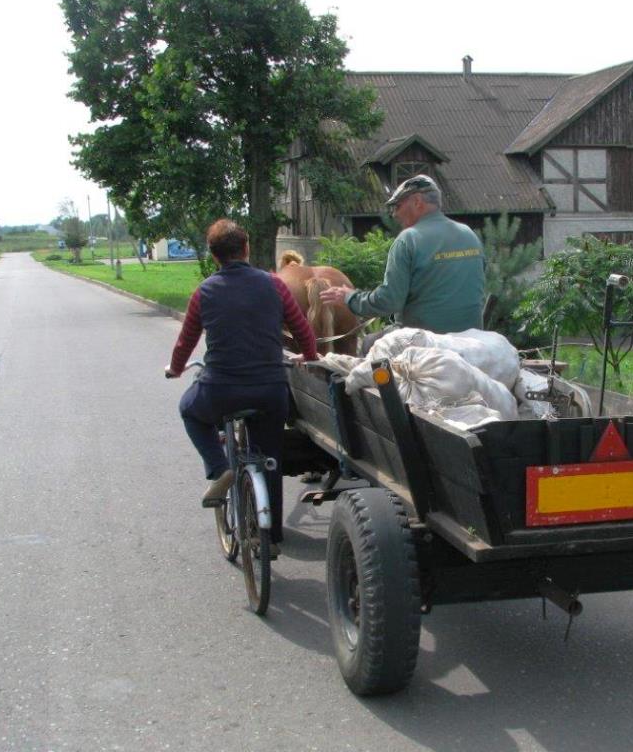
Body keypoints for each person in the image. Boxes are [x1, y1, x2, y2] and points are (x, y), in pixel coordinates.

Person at [165, 219, 318, 557]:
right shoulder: (274, 285)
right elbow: (303, 329)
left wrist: (175, 370)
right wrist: (309, 356)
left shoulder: (204, 292)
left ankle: (221, 470)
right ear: (246, 248)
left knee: (189, 410)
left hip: (221, 389)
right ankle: (272, 535)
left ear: (214, 256)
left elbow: (185, 344)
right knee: (269, 459)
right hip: (269, 391)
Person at [319, 175, 486, 336]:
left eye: (397, 206)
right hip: (471, 337)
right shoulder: (469, 234)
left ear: (417, 202)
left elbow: (389, 301)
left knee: (368, 343)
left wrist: (350, 298)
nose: (394, 214)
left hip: (425, 340)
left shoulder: (408, 240)